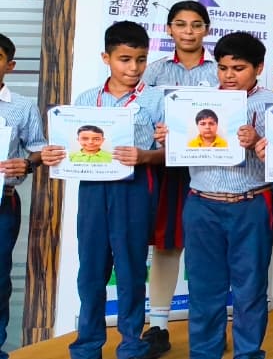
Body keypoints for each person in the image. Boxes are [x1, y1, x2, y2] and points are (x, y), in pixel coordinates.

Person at [42, 21, 165, 359]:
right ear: (106, 58)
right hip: (93, 191)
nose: (133, 68)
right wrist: (55, 154)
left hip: (134, 189)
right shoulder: (87, 99)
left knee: (131, 270)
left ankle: (131, 344)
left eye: (141, 59)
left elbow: (171, 153)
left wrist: (146, 156)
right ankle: (87, 345)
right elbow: (69, 147)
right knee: (91, 271)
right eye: (124, 59)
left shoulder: (156, 99)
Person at [168, 31, 273, 359]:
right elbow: (179, 147)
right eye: (222, 68)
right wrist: (168, 137)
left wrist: (258, 142)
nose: (229, 76)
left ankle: (248, 353)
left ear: (259, 68)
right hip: (202, 202)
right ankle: (205, 352)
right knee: (204, 287)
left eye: (238, 68)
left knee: (250, 288)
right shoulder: (194, 103)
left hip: (251, 202)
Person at [140, 0, 218, 357]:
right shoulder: (153, 72)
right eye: (181, 24)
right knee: (167, 244)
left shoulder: (219, 71)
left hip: (213, 168)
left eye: (196, 24)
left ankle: (210, 327)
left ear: (207, 29)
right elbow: (142, 119)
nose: (189, 31)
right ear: (169, 29)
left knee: (210, 249)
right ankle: (158, 327)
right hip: (169, 169)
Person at [0, 33, 46, 359]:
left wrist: (27, 163)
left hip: (3, 201)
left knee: (0, 276)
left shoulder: (23, 106)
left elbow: (40, 149)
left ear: (10, 65)